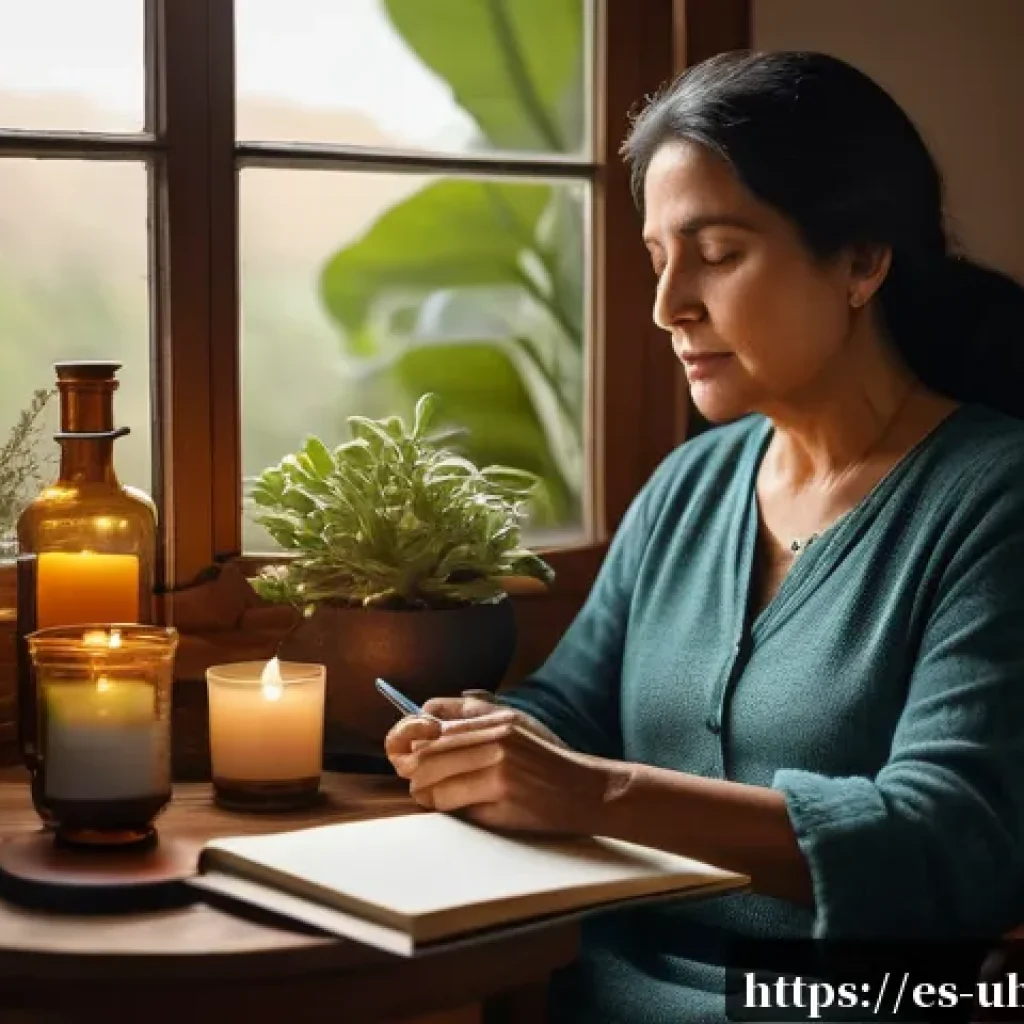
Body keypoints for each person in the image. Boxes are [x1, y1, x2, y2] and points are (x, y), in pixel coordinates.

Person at [385, 50, 1024, 1023]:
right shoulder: (692, 483)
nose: (667, 305)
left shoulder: (994, 497)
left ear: (860, 260)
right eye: (656, 258)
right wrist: (482, 734)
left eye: (717, 253)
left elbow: (947, 841)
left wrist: (593, 796)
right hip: (586, 985)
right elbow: (574, 706)